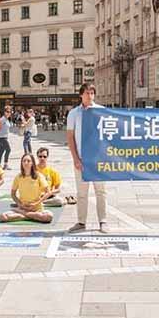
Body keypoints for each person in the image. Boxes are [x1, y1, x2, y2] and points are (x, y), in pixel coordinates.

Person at [66, 83, 108, 233]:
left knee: (101, 191)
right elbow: (70, 137)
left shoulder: (101, 111)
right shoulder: (74, 114)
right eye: (87, 93)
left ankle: (103, 221)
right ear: (81, 95)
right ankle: (81, 222)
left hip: (98, 159)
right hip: (82, 159)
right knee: (82, 193)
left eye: (92, 93)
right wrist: (75, 158)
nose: (90, 96)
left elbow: (108, 134)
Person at [0, 154, 53, 223]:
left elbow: (48, 192)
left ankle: (24, 216)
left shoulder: (39, 176)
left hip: (36, 209)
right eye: (24, 161)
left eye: (28, 161)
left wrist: (36, 203)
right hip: (22, 208)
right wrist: (20, 204)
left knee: (49, 216)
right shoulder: (18, 177)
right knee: (3, 216)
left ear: (32, 163)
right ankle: (30, 216)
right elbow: (13, 194)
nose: (26, 163)